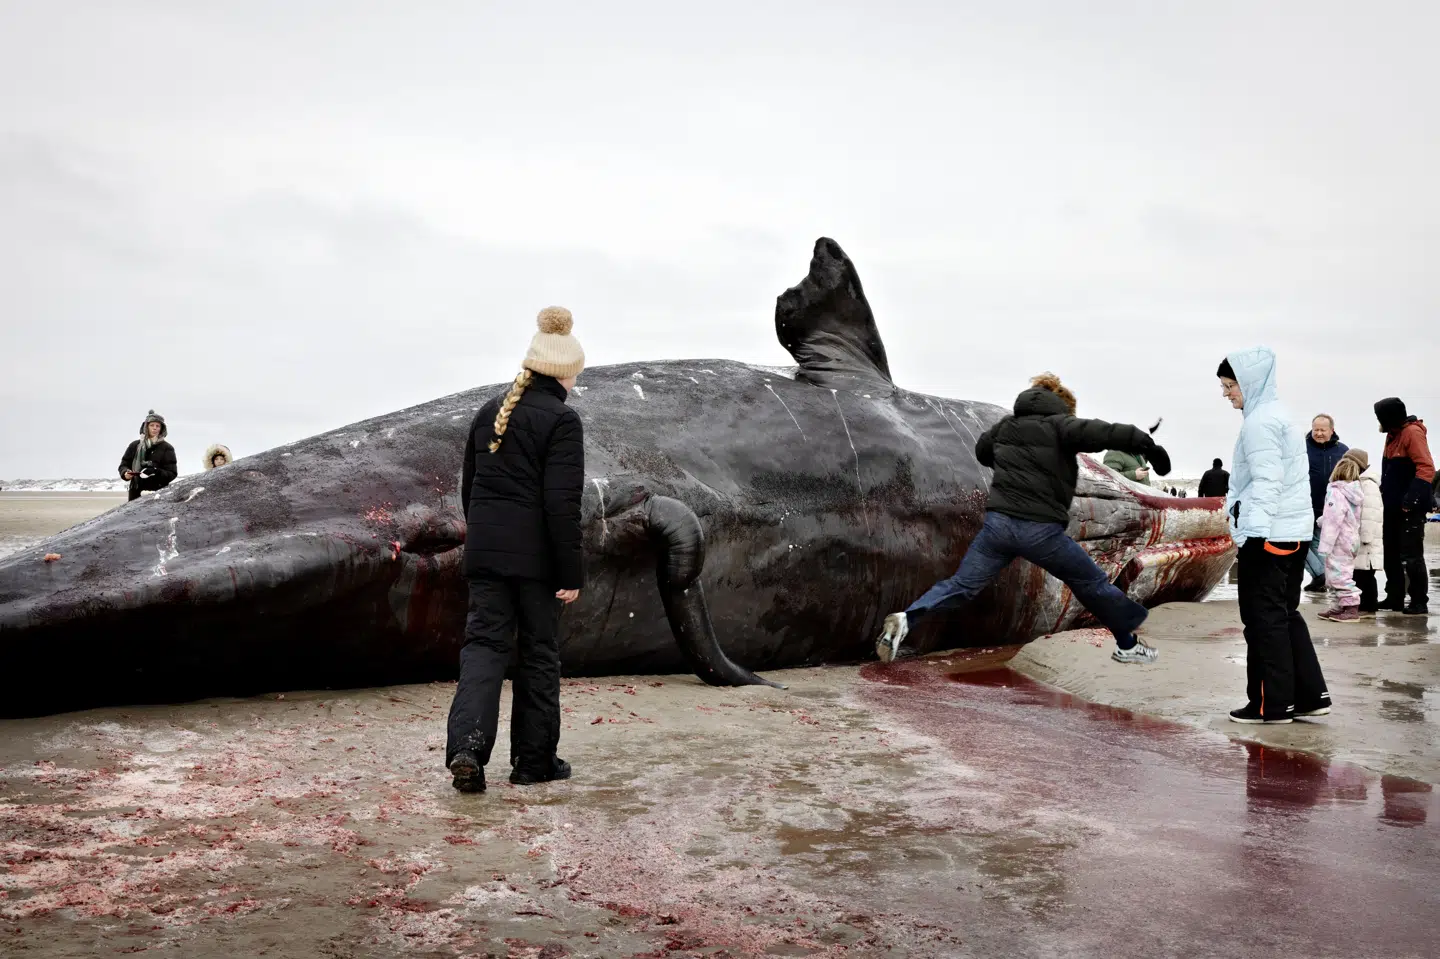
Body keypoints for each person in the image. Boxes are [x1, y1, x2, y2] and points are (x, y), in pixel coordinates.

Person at [876, 372, 1171, 666]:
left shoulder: (1006, 427)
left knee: (962, 585)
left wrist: (1010, 462)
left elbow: (982, 450)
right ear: (1063, 406)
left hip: (998, 528)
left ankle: (906, 619)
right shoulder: (1062, 426)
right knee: (1090, 583)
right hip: (1040, 532)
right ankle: (1128, 644)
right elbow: (1109, 433)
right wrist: (1149, 446)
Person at [446, 307, 586, 793]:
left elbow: (470, 492)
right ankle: (533, 763)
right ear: (565, 372)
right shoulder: (562, 421)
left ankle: (467, 748)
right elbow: (561, 505)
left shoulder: (489, 415)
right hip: (538, 565)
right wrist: (571, 572)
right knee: (539, 655)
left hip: (486, 558)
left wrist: (486, 542)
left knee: (483, 650)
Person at [1217, 348, 1330, 724]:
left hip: (1269, 535)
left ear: (1248, 383)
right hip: (1292, 532)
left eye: (1230, 386)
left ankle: (1271, 704)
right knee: (1284, 613)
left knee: (1263, 619)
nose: (1226, 393)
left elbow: (1267, 482)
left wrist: (1253, 534)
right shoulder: (1278, 416)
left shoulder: (1259, 423)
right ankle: (1310, 695)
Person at [1375, 397, 1433, 615]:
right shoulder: (1391, 435)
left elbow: (1426, 467)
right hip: (1391, 505)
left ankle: (1419, 601)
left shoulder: (1412, 433)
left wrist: (1411, 500)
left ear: (1388, 417)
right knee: (1390, 552)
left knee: (1411, 554)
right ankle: (1394, 597)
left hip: (1409, 507)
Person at [1303, 415, 1348, 593]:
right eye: (1316, 430)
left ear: (1332, 430)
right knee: (1299, 543)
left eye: (1323, 430)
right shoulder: (1302, 449)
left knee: (1318, 545)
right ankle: (1322, 575)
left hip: (1331, 507)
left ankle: (1321, 578)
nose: (1319, 433)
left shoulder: (1342, 451)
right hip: (1304, 505)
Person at [1317, 455, 1363, 622]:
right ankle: (1340, 606)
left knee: (1338, 574)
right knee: (1340, 571)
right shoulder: (1354, 493)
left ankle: (1350, 607)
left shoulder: (1336, 492)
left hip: (1339, 540)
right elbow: (1347, 516)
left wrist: (1325, 544)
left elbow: (1333, 519)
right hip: (1351, 538)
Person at [1346, 449, 1383, 615]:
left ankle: (1368, 605)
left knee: (1366, 574)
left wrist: (1365, 537)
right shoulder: (1360, 483)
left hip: (1367, 539)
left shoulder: (1368, 484)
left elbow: (1370, 513)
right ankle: (1364, 604)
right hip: (1360, 537)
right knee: (1359, 573)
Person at [117, 410, 178, 502]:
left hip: (158, 494)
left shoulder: (167, 448)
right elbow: (123, 464)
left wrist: (155, 472)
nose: (155, 428)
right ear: (146, 427)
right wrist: (125, 473)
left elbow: (172, 473)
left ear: (162, 429)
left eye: (158, 426)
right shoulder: (134, 445)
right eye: (152, 425)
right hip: (135, 492)